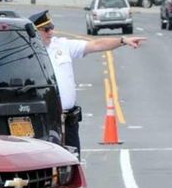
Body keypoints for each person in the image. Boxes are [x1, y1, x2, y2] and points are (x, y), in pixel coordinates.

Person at [31, 10, 145, 151]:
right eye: (46, 29)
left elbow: (96, 44)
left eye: (52, 28)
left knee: (73, 160)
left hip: (67, 120)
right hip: (44, 121)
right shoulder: (27, 53)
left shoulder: (62, 46)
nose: (51, 32)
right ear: (34, 32)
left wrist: (122, 41)